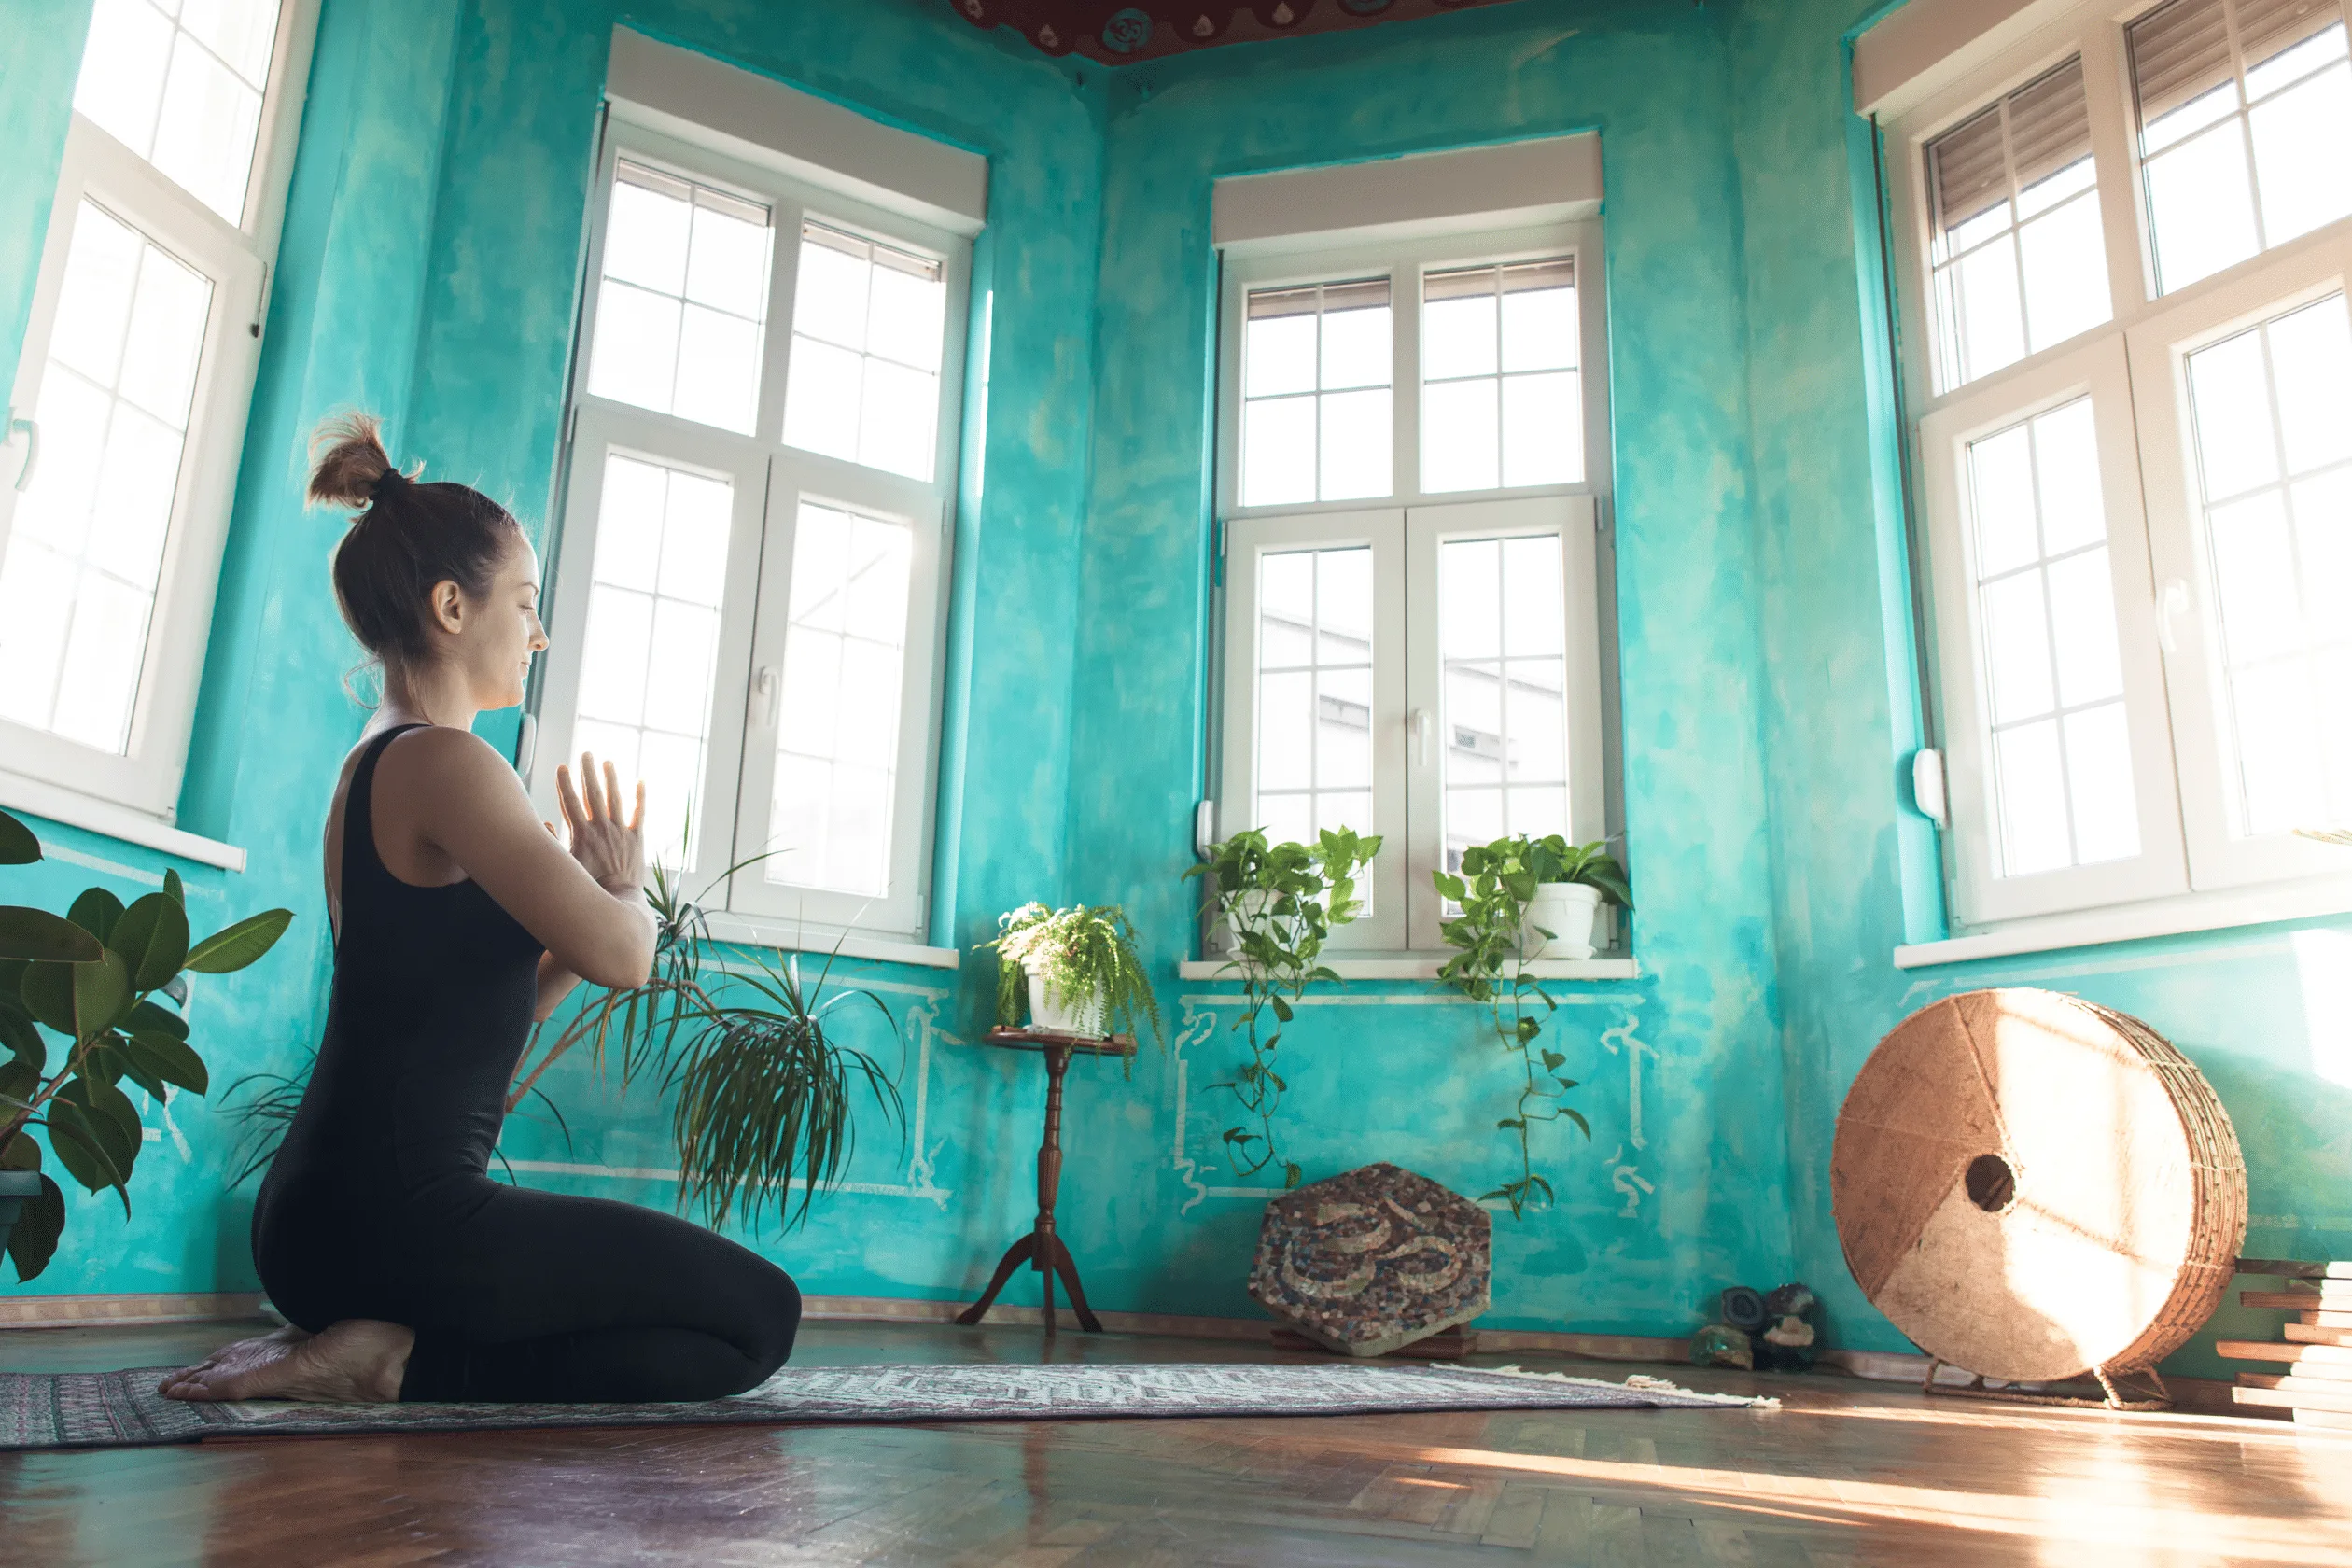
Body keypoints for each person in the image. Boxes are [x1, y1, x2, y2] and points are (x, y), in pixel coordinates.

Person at [158, 413, 802, 1405]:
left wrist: (576, 906)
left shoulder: (379, 756)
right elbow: (629, 958)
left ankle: (385, 1346)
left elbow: (492, 1001)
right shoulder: (448, 763)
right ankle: (395, 1364)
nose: (538, 632)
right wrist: (621, 883)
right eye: (526, 602)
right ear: (453, 606)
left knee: (724, 1321)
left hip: (325, 1215)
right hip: (399, 1217)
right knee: (761, 1319)